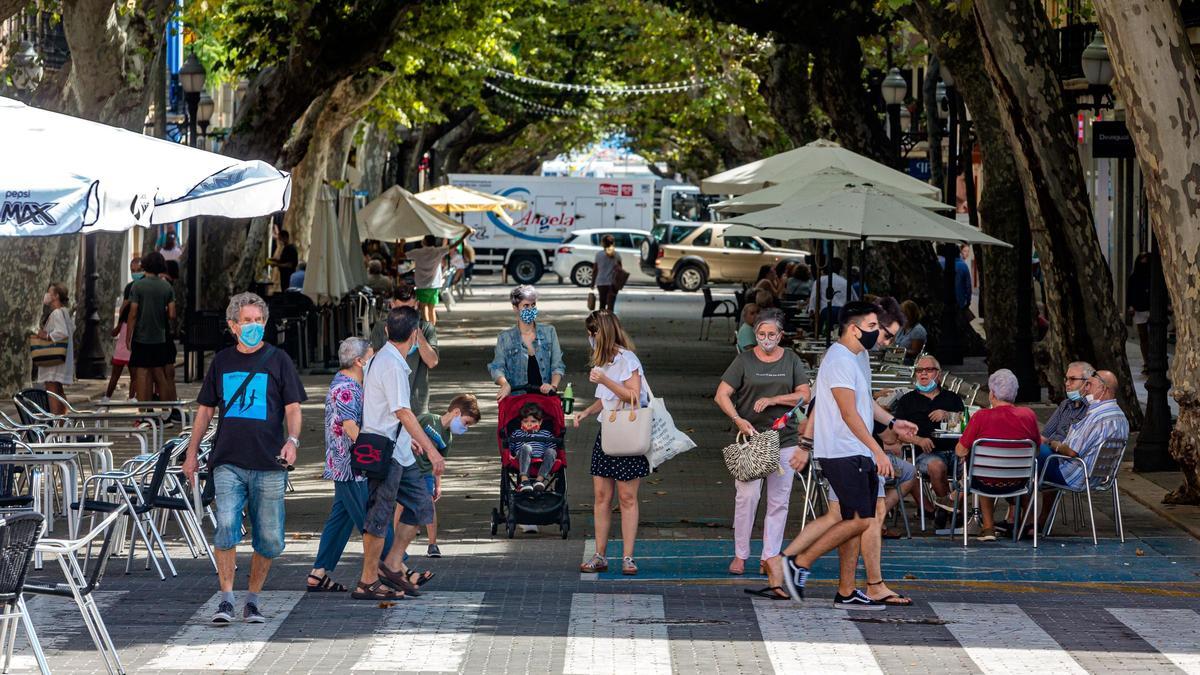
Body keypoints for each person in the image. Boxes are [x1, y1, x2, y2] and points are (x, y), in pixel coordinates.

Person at [771, 301, 919, 608]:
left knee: (857, 518)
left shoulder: (858, 356)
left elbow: (864, 403)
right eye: (874, 328)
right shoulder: (838, 359)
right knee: (861, 520)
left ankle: (846, 590)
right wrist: (878, 450)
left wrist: (892, 421)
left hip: (857, 449)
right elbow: (849, 414)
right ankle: (799, 561)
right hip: (842, 449)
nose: (879, 336)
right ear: (854, 328)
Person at [182, 292, 306, 624]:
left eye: (259, 321)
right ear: (233, 326)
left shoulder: (279, 360)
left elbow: (293, 408)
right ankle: (226, 599)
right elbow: (205, 410)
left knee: (269, 538)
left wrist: (292, 440)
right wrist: (191, 453)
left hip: (269, 463)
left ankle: (252, 599)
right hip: (228, 461)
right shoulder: (222, 361)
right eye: (247, 321)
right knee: (225, 526)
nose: (254, 327)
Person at [714, 309, 810, 588]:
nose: (766, 339)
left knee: (779, 501)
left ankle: (769, 556)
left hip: (785, 438)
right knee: (747, 496)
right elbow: (722, 394)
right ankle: (740, 554)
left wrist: (773, 399)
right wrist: (737, 419)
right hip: (751, 438)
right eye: (761, 334)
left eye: (772, 334)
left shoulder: (791, 359)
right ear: (754, 334)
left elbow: (805, 394)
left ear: (781, 335)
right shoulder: (744, 360)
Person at [353, 306, 443, 601]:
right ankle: (367, 581)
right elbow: (402, 412)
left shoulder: (392, 360)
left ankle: (392, 563)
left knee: (420, 506)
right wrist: (431, 449)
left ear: (388, 331)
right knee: (378, 518)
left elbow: (393, 412)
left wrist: (412, 441)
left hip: (401, 451)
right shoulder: (390, 363)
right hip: (385, 454)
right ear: (416, 334)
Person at [307, 338, 393, 592]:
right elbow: (351, 428)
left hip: (344, 465)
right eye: (370, 356)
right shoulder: (347, 388)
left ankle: (318, 573)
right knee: (372, 521)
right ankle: (398, 567)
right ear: (359, 361)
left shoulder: (348, 383)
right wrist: (377, 455)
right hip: (351, 467)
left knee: (340, 520)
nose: (373, 361)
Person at [574, 310, 651, 576]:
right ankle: (600, 554)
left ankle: (628, 556)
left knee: (627, 497)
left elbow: (633, 396)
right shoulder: (604, 360)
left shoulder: (627, 359)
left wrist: (605, 379)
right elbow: (607, 398)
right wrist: (588, 411)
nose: (589, 338)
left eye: (591, 333)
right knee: (601, 497)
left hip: (628, 433)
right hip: (607, 431)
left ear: (600, 334)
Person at [1031, 370, 1129, 531]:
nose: (1085, 389)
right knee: (1036, 457)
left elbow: (1071, 452)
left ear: (1103, 389)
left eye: (1089, 385)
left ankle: (1020, 519)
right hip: (1100, 477)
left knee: (1029, 454)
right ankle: (1032, 520)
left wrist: (1054, 444)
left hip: (1075, 475)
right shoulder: (1121, 417)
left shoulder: (1097, 417)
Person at [954, 369, 1041, 541]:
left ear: (992, 394)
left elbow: (960, 450)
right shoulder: (1028, 415)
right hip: (1019, 481)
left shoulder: (981, 416)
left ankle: (988, 528)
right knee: (1024, 468)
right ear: (1015, 394)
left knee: (980, 468)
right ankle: (1029, 523)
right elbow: (1036, 449)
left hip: (985, 482)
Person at [895, 355, 965, 517]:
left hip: (956, 450)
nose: (923, 374)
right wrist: (919, 439)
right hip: (925, 453)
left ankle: (948, 509)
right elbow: (898, 433)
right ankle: (951, 513)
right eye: (919, 370)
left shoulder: (952, 398)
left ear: (938, 374)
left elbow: (965, 420)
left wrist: (948, 414)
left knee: (977, 466)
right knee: (936, 466)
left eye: (929, 370)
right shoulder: (907, 400)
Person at [414, 394, 481, 557]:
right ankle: (396, 543)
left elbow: (439, 464)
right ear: (456, 412)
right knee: (402, 506)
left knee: (429, 504)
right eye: (466, 423)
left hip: (426, 472)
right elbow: (410, 429)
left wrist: (438, 484)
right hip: (409, 467)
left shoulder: (447, 438)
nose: (465, 428)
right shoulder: (428, 419)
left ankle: (432, 544)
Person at [369, 284, 439, 414]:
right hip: (387, 403)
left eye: (410, 309)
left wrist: (417, 333)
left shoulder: (426, 328)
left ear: (417, 305)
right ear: (392, 305)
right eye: (401, 309)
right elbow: (371, 362)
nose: (406, 315)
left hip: (417, 402)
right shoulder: (381, 328)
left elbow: (432, 362)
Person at [488, 285, 565, 401]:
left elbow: (557, 365)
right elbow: (497, 367)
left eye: (533, 305)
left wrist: (553, 386)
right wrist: (504, 384)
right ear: (515, 308)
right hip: (517, 399)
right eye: (526, 305)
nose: (530, 309)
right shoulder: (505, 337)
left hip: (545, 399)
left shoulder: (549, 332)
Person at [125, 251, 177, 404]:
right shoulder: (166, 287)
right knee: (160, 374)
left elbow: (133, 313)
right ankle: (166, 411)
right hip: (160, 336)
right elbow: (172, 314)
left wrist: (129, 335)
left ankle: (144, 412)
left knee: (142, 373)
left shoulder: (137, 286)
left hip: (141, 336)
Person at [102, 257, 143, 402]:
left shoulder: (143, 286)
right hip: (126, 328)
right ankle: (107, 397)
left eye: (138, 270)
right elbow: (125, 308)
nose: (135, 273)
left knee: (134, 371)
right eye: (133, 270)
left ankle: (132, 397)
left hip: (138, 330)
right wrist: (119, 326)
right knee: (117, 369)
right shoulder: (129, 287)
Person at [407, 233, 468, 325]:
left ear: (424, 242)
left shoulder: (417, 252)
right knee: (432, 308)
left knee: (424, 308)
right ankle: (432, 330)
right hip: (434, 285)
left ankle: (427, 330)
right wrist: (465, 235)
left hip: (421, 285)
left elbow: (401, 255)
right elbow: (454, 245)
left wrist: (402, 243)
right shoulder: (438, 251)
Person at [34, 283, 73, 414]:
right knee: (58, 390)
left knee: (52, 390)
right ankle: (63, 423)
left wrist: (45, 335)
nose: (46, 295)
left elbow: (61, 332)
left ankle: (56, 424)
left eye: (49, 292)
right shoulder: (64, 312)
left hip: (53, 360)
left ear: (56, 296)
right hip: (62, 358)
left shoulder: (57, 313)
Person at [509, 401, 561, 493]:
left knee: (551, 451)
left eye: (533, 421)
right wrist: (510, 455)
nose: (529, 424)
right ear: (521, 422)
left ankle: (539, 481)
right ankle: (524, 480)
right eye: (525, 421)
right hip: (521, 457)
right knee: (526, 447)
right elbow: (510, 448)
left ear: (540, 422)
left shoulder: (546, 434)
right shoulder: (517, 433)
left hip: (540, 458)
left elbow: (553, 448)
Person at [1042, 361, 1094, 446]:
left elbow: (1078, 446)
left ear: (1086, 383)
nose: (1067, 384)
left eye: (1072, 379)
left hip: (1065, 455)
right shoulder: (1065, 404)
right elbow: (1045, 435)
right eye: (1067, 379)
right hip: (1051, 450)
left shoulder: (1092, 407)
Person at [807, 257, 855, 327]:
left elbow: (814, 298)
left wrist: (812, 311)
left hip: (826, 312)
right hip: (842, 313)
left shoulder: (820, 281)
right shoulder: (845, 282)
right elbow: (853, 299)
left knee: (824, 333)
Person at [1127, 253, 1151, 371]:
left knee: (1151, 336)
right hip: (1139, 309)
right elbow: (1130, 293)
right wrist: (1130, 306)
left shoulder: (1153, 277)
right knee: (1143, 336)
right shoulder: (1133, 278)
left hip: (1151, 309)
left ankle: (1150, 360)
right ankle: (1146, 360)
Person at [592, 234, 623, 312]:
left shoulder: (599, 255)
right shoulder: (617, 255)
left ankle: (601, 321)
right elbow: (620, 270)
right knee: (611, 305)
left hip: (601, 282)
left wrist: (592, 282)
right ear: (613, 243)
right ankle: (610, 321)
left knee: (602, 303)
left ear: (602, 243)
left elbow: (595, 270)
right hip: (613, 283)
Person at [895, 300, 927, 365]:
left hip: (910, 363)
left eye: (904, 313)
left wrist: (901, 351)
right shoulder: (902, 328)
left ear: (911, 314)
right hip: (897, 360)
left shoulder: (918, 330)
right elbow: (892, 344)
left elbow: (916, 352)